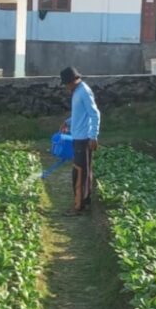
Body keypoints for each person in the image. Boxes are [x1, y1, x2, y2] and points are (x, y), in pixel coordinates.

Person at [59, 66, 100, 214]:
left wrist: (93, 136)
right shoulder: (77, 92)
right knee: (82, 171)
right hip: (77, 137)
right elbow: (79, 114)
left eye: (66, 84)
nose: (66, 87)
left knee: (80, 173)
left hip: (84, 139)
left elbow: (95, 114)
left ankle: (79, 206)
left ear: (73, 81)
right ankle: (84, 201)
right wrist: (68, 122)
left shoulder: (84, 92)